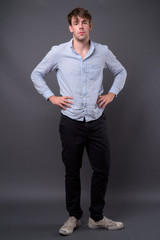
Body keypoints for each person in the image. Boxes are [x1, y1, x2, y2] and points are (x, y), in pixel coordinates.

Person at [31, 7, 127, 236]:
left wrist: (112, 93)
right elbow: (36, 73)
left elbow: (121, 71)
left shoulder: (102, 52)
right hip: (71, 122)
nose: (81, 26)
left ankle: (96, 217)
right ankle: (73, 216)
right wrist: (51, 96)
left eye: (84, 22)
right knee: (72, 171)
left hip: (96, 121)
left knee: (102, 169)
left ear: (90, 26)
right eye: (76, 22)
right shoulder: (58, 52)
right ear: (70, 28)